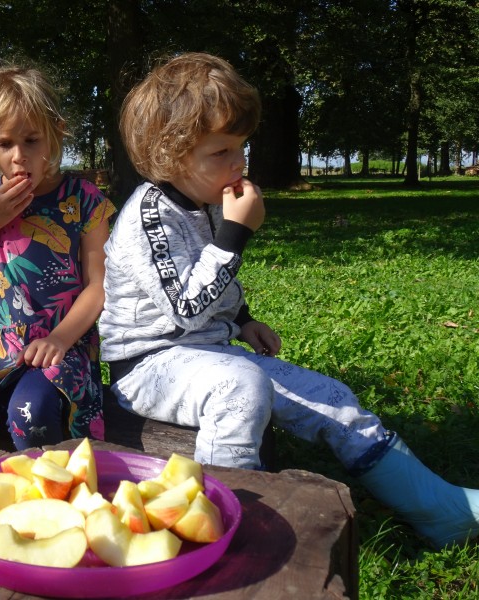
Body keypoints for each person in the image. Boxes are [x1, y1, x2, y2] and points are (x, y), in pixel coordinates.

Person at [99, 52, 479, 549]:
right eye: (222, 151)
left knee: (334, 399)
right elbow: (184, 308)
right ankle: (220, 524)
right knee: (241, 387)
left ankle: (437, 508)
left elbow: (211, 286)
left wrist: (242, 319)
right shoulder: (148, 216)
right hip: (148, 365)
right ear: (171, 156)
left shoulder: (207, 203)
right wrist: (235, 235)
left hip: (208, 354)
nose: (239, 163)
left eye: (242, 147)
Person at [0, 65, 114, 452]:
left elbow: (98, 285)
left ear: (56, 133)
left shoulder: (83, 199)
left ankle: (52, 489)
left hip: (59, 341)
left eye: (32, 140)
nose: (19, 157)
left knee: (31, 413)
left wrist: (60, 338)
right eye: (4, 144)